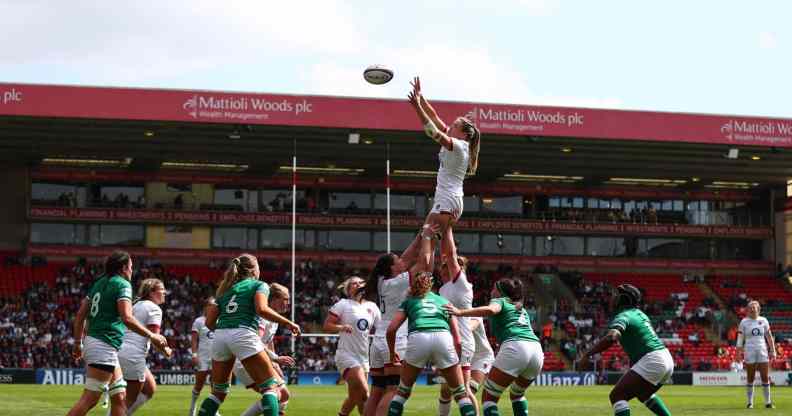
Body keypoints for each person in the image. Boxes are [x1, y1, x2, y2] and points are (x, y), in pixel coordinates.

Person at [66, 250, 169, 416]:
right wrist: (152, 335)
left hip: (98, 343)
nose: (131, 270)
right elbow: (127, 318)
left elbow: (80, 316)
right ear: (123, 268)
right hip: (104, 345)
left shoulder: (99, 282)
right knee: (90, 399)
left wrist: (78, 343)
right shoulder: (122, 284)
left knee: (120, 397)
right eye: (130, 267)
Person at [196, 254, 301, 416]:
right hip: (244, 334)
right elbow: (262, 309)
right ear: (253, 270)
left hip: (220, 337)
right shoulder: (259, 285)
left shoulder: (225, 290)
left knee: (218, 393)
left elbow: (209, 323)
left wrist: (228, 328)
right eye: (258, 266)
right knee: (270, 388)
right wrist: (288, 323)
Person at [445, 278, 543, 416]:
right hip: (536, 350)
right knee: (517, 394)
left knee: (488, 398)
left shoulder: (500, 300)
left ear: (500, 292)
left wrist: (460, 312)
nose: (491, 291)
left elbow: (491, 310)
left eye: (494, 288)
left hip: (516, 346)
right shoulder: (520, 308)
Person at [362, 227, 433, 416]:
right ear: (393, 268)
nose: (402, 261)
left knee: (377, 390)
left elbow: (408, 256)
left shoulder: (381, 280)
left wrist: (418, 236)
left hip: (378, 341)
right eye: (398, 261)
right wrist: (427, 238)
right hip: (394, 339)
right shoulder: (400, 282)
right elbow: (424, 262)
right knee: (394, 389)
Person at [386, 269, 476, 416]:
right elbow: (458, 340)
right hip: (443, 337)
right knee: (461, 394)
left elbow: (391, 330)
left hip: (418, 337)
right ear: (432, 285)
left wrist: (392, 354)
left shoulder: (408, 302)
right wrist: (455, 361)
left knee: (402, 392)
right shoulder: (445, 302)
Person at [576, 284, 674, 416]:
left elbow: (612, 337)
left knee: (617, 396)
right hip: (666, 358)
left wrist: (587, 355)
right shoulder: (640, 314)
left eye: (615, 296)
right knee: (644, 394)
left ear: (623, 299)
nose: (612, 299)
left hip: (653, 359)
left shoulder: (623, 315)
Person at [407, 76, 481, 236]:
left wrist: (417, 107)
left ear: (464, 135)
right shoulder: (458, 142)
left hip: (447, 200)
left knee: (424, 245)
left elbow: (432, 132)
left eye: (455, 126)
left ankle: (401, 262)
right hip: (450, 200)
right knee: (447, 252)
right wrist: (421, 98)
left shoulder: (459, 146)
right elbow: (434, 117)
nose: (450, 126)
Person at [324, 276, 381, 416]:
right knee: (365, 392)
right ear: (348, 290)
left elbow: (381, 328)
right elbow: (327, 326)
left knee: (356, 398)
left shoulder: (372, 307)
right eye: (354, 284)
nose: (359, 285)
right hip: (346, 355)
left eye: (361, 283)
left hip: (364, 357)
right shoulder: (343, 304)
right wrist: (341, 327)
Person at [436, 226, 477, 416]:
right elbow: (447, 255)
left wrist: (447, 227)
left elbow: (450, 254)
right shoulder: (443, 289)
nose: (444, 266)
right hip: (447, 342)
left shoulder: (462, 284)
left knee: (463, 389)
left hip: (462, 342)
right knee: (446, 389)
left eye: (449, 266)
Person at [238, 283, 296, 416]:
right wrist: (276, 358)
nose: (288, 303)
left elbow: (268, 342)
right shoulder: (264, 317)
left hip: (257, 358)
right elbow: (256, 340)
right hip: (248, 359)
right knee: (278, 394)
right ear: (274, 300)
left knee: (282, 396)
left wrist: (275, 363)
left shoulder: (273, 318)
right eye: (285, 299)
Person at [115, 278, 169, 415]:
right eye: (162, 289)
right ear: (152, 292)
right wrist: (166, 350)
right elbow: (155, 338)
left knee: (149, 388)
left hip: (119, 351)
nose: (165, 292)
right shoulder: (154, 309)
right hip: (133, 355)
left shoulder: (135, 305)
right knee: (127, 401)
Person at [737, 300, 776, 409]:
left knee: (765, 376)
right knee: (750, 377)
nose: (752, 309)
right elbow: (740, 339)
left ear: (758, 309)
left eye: (754, 307)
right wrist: (738, 353)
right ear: (748, 309)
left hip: (762, 350)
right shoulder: (744, 322)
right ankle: (750, 403)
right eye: (750, 307)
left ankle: (768, 402)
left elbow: (769, 336)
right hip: (749, 351)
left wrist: (773, 350)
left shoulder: (764, 320)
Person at [189, 297, 216, 416]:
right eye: (210, 305)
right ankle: (192, 408)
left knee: (215, 385)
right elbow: (194, 340)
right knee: (199, 384)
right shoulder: (199, 321)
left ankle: (214, 410)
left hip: (216, 356)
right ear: (205, 307)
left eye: (214, 305)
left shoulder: (219, 320)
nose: (212, 307)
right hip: (203, 356)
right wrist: (194, 354)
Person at [468, 316, 495, 397]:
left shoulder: (475, 315)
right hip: (466, 357)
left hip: (482, 357)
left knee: (471, 390)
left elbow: (469, 328)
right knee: (446, 392)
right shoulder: (451, 317)